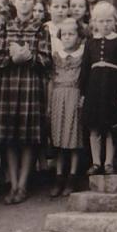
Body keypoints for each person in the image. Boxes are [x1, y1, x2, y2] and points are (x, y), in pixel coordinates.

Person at [0, 0, 52, 205]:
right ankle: (13, 184)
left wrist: (30, 58)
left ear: (34, 2)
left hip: (29, 87)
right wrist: (11, 59)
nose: (24, 2)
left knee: (27, 139)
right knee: (9, 139)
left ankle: (23, 184)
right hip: (8, 87)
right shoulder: (6, 27)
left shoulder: (41, 28)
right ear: (13, 1)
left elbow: (47, 60)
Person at [80, 2, 117, 175]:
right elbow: (84, 70)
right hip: (94, 91)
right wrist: (83, 93)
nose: (105, 25)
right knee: (94, 128)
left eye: (108, 21)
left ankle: (108, 163)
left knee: (110, 127)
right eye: (101, 21)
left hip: (112, 90)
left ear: (114, 22)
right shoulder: (90, 43)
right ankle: (96, 162)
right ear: (94, 23)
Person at [49, 19, 86, 196]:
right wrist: (49, 103)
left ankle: (72, 176)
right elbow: (50, 81)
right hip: (58, 98)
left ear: (79, 37)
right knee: (58, 140)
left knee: (73, 139)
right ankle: (58, 177)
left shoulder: (82, 55)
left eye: (71, 34)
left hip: (74, 96)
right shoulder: (56, 56)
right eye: (64, 34)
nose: (67, 38)